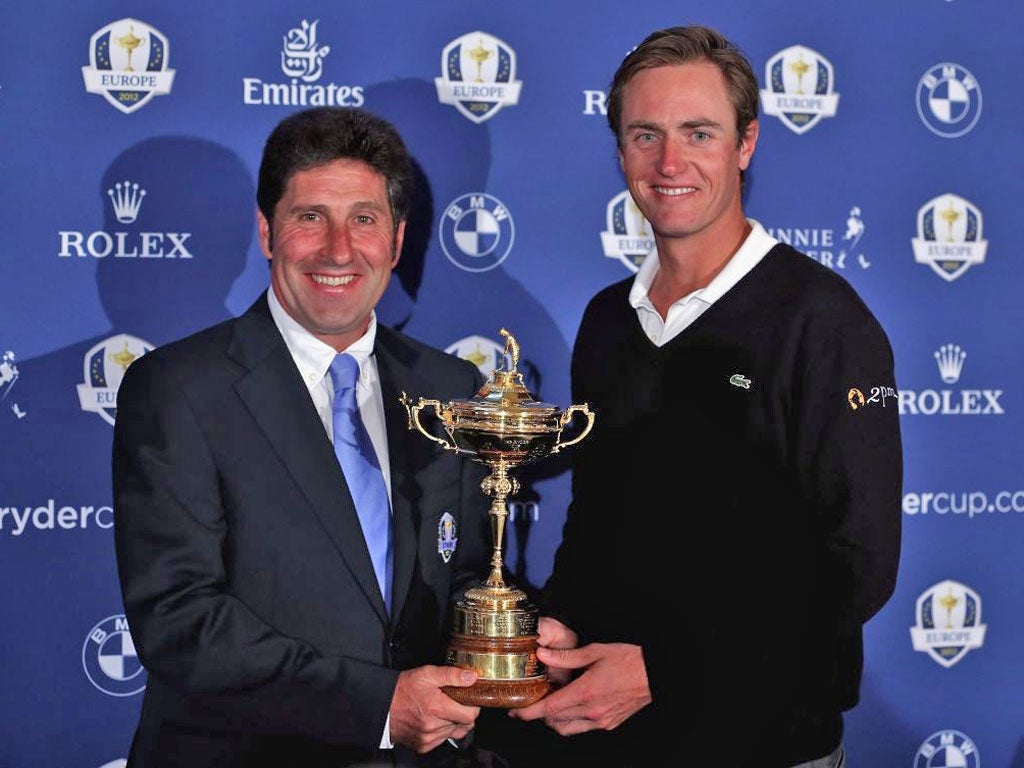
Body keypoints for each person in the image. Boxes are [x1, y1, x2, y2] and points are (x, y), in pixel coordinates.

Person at [508, 25, 903, 767]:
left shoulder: (822, 320)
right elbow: (598, 523)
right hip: (615, 743)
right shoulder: (606, 320)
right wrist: (560, 625)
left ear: (745, 144)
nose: (670, 162)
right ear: (620, 149)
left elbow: (856, 567)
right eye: (645, 134)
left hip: (765, 743)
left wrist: (663, 669)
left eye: (699, 132)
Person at [112, 106, 494, 767]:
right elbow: (181, 621)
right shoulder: (177, 388)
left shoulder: (450, 386)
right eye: (310, 217)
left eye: (364, 219)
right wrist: (379, 705)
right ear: (267, 232)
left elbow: (463, 573)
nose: (339, 250)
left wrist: (512, 637)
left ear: (397, 241)